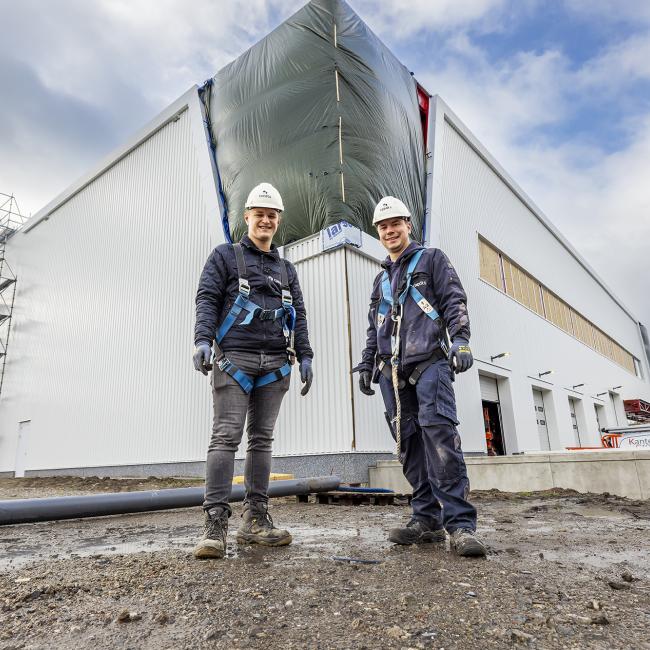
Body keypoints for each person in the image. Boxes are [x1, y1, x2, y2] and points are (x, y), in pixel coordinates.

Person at [354, 196, 486, 557]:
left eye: (395, 223)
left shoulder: (432, 259)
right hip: (391, 372)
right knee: (409, 446)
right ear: (378, 232)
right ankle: (426, 518)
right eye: (383, 226)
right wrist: (367, 364)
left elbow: (453, 299)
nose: (390, 230)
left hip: (429, 363)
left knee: (440, 439)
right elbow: (375, 327)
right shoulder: (381, 279)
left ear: (408, 224)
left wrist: (460, 341)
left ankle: (460, 525)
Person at [192, 182, 313, 559]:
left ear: (278, 222)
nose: (265, 220)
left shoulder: (286, 268)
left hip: (276, 364)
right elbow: (208, 297)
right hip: (235, 359)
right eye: (259, 214)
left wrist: (305, 353)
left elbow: (299, 314)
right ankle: (215, 525)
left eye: (271, 215)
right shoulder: (225, 257)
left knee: (261, 439)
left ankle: (256, 519)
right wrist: (202, 339)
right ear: (247, 218)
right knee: (226, 436)